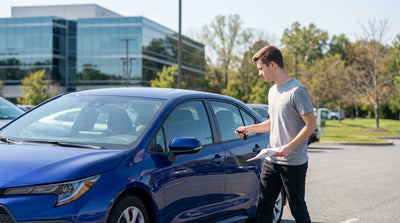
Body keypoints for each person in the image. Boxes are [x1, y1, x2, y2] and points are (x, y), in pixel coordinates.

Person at [235, 45, 316, 223]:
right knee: (264, 205)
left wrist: (289, 147)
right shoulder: (272, 92)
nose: (259, 73)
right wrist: (249, 128)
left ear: (272, 65)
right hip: (272, 161)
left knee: (297, 208)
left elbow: (311, 125)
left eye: (261, 68)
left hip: (293, 162)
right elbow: (275, 122)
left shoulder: (297, 91)